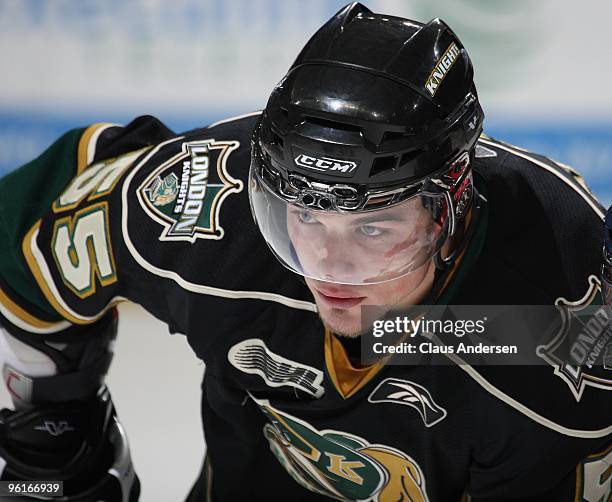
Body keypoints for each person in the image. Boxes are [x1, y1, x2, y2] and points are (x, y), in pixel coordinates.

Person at [0, 3, 610, 501]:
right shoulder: (211, 210)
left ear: (449, 206)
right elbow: (28, 227)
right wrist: (52, 439)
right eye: (306, 216)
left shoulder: (557, 321)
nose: (328, 266)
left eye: (373, 228)